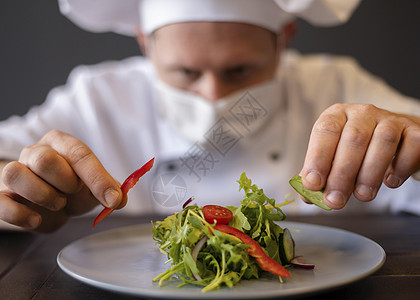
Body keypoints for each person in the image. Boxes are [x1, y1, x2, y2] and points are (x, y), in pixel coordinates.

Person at [0, 0, 419, 232]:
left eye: (240, 71)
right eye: (186, 73)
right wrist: (25, 187)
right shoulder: (97, 98)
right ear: (146, 44)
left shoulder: (337, 86)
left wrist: (412, 142)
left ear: (283, 40)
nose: (214, 95)